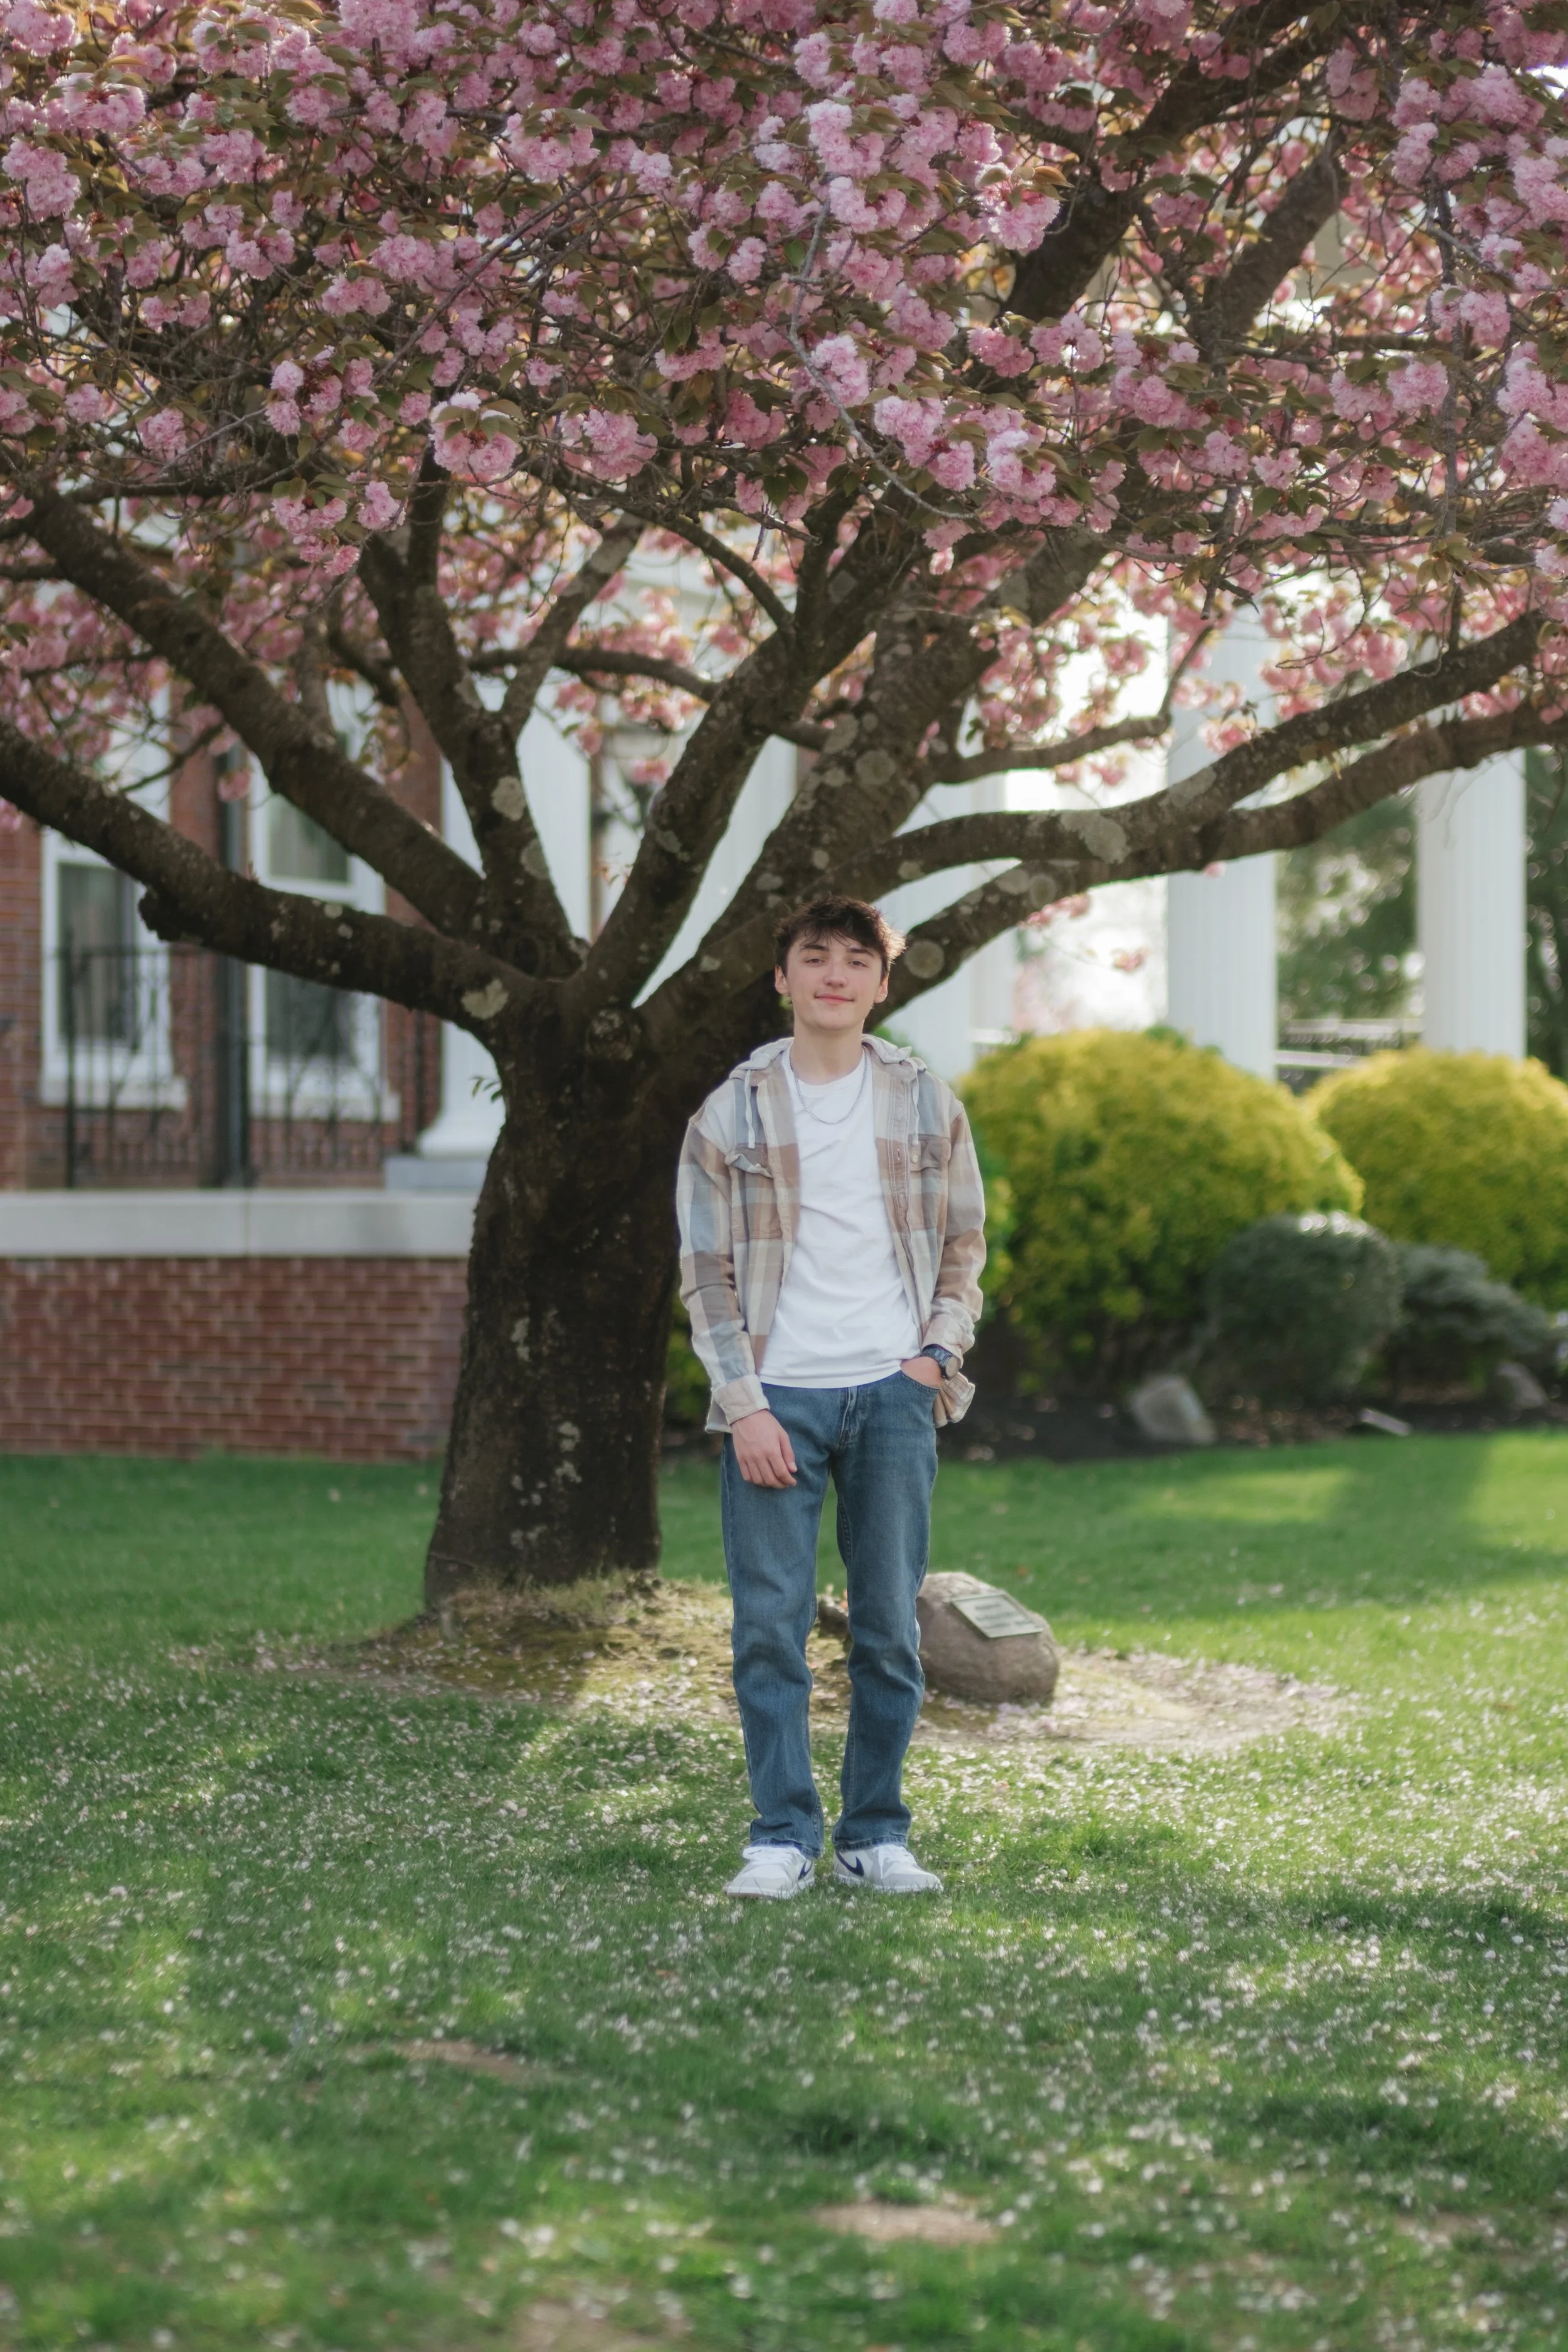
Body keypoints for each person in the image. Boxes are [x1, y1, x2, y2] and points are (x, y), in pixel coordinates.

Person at [677, 894, 986, 1899]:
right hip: (780, 1399)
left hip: (892, 1395)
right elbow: (706, 1273)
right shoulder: (731, 1110)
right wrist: (746, 1402)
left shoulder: (924, 1098)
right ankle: (780, 1834)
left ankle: (872, 1833)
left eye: (859, 960)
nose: (837, 975)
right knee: (770, 1626)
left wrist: (933, 1359)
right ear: (783, 978)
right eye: (817, 958)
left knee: (889, 1626)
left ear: (882, 984)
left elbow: (963, 1246)